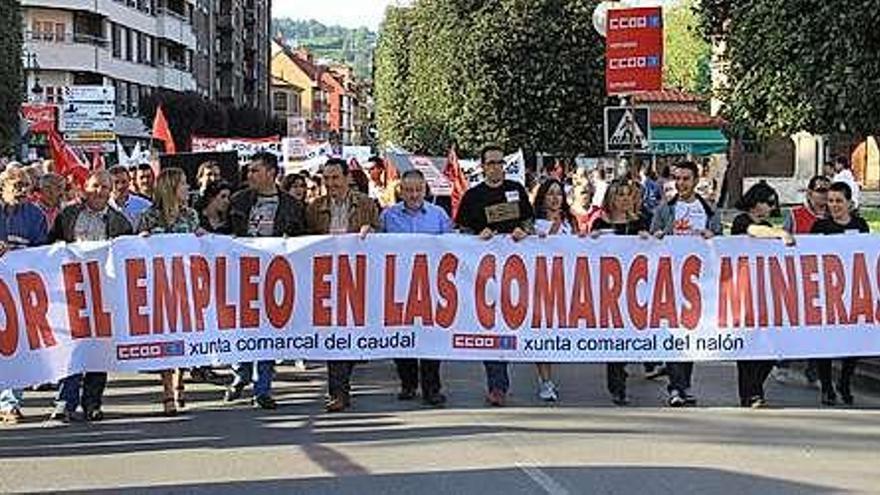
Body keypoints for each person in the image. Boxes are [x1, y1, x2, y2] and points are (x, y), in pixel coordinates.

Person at [49, 171, 133, 423]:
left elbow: (127, 254)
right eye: (95, 186)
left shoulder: (120, 222)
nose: (100, 191)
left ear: (111, 191)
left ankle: (92, 402)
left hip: (104, 292)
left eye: (105, 187)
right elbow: (49, 246)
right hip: (71, 291)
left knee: (98, 348)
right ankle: (65, 402)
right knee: (71, 347)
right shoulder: (68, 216)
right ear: (85, 188)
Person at [225, 152, 306, 410]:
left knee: (269, 330)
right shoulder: (238, 201)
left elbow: (302, 238)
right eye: (249, 171)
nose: (249, 175)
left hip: (274, 275)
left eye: (255, 171)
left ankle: (263, 388)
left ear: (271, 173)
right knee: (240, 326)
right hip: (242, 273)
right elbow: (225, 233)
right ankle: (241, 373)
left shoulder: (292, 206)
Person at [455, 145, 534, 407]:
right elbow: (461, 230)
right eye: (491, 163)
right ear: (482, 166)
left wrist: (524, 230)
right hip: (483, 272)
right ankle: (497, 385)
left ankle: (507, 379)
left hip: (514, 269)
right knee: (490, 323)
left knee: (513, 321)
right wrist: (476, 238)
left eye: (500, 162)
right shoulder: (473, 195)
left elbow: (529, 221)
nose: (496, 167)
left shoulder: (516, 190)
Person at [306, 157, 379, 412]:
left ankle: (343, 380)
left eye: (335, 178)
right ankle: (338, 392)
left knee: (351, 336)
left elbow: (384, 241)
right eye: (326, 179)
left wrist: (372, 233)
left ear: (348, 178)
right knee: (334, 336)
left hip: (358, 278)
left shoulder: (368, 205)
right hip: (327, 280)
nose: (330, 183)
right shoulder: (315, 207)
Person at [378, 169, 452, 407]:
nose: (413, 195)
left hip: (430, 285)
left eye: (418, 190)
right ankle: (408, 383)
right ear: (401, 191)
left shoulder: (439, 215)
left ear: (425, 189)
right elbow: (376, 247)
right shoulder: (388, 216)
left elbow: (452, 245)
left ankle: (432, 388)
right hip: (398, 285)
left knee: (432, 337)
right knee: (401, 336)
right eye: (408, 190)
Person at [651, 161, 722, 407]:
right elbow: (651, 241)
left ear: (696, 180)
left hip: (699, 281)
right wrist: (658, 237)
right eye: (677, 179)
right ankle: (676, 387)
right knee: (675, 332)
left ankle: (684, 384)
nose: (680, 184)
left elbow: (721, 242)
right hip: (671, 279)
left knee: (691, 332)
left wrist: (713, 238)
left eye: (685, 179)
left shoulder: (709, 210)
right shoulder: (664, 209)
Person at [138, 168, 203, 416]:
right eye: (184, 183)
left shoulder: (191, 216)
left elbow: (200, 242)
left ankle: (180, 379)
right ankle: (167, 390)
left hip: (186, 285)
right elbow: (137, 246)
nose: (188, 188)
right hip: (159, 286)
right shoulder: (150, 216)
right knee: (165, 338)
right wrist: (142, 240)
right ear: (171, 188)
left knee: (184, 335)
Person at [730, 182, 792, 408]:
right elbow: (752, 231)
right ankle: (751, 394)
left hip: (765, 291)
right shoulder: (741, 221)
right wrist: (779, 233)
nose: (771, 208)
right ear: (756, 203)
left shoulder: (766, 225)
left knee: (769, 346)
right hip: (743, 289)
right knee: (747, 346)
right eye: (769, 202)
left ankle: (754, 389)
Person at [590, 180, 650, 405]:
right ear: (610, 199)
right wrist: (592, 241)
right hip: (609, 289)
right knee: (614, 338)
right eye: (619, 195)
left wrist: (648, 239)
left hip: (635, 288)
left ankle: (626, 368)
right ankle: (617, 385)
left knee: (630, 334)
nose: (624, 199)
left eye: (628, 195)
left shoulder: (640, 222)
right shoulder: (599, 223)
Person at [810, 181, 870, 406]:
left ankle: (844, 382)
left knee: (853, 341)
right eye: (831, 201)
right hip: (826, 292)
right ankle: (827, 387)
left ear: (849, 203)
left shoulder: (861, 224)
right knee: (825, 341)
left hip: (853, 292)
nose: (834, 205)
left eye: (838, 201)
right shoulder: (820, 227)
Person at [0, 167, 50, 424]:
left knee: (15, 345)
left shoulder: (36, 215)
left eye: (26, 187)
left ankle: (10, 403)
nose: (21, 191)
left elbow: (42, 252)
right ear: (3, 186)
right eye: (16, 186)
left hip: (17, 293)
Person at [778, 175, 830, 385]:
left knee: (819, 327)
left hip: (825, 280)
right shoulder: (795, 215)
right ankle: (782, 363)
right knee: (793, 323)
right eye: (820, 190)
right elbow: (781, 239)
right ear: (809, 192)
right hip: (797, 277)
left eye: (828, 190)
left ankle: (813, 370)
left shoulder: (834, 215)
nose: (824, 194)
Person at [531, 178, 577, 402]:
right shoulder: (533, 223)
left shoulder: (571, 222)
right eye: (550, 193)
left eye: (559, 193)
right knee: (544, 333)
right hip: (542, 285)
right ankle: (545, 380)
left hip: (568, 284)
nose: (555, 198)